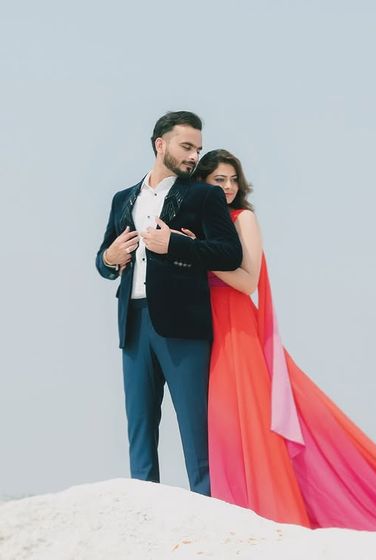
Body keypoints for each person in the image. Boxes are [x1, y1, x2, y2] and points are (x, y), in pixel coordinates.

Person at [192, 149, 376, 531]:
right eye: (219, 180)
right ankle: (232, 506)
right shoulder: (197, 224)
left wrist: (194, 253)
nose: (228, 187)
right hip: (206, 325)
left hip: (237, 323)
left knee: (250, 414)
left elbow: (248, 280)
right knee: (222, 421)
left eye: (232, 180)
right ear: (201, 183)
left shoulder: (243, 218)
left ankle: (269, 508)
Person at [95, 114, 242, 497]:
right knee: (140, 428)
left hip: (184, 328)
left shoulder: (204, 196)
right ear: (160, 144)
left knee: (196, 429)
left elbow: (230, 254)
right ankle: (143, 510)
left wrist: (176, 244)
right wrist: (109, 258)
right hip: (133, 324)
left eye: (198, 148)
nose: (194, 156)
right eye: (186, 146)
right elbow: (103, 260)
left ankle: (207, 507)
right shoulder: (122, 199)